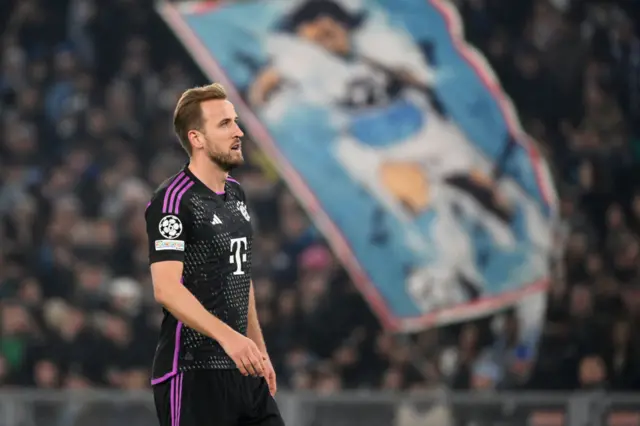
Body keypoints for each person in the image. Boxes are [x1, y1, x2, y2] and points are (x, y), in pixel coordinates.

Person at [145, 83, 284, 426]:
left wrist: (257, 348)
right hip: (193, 370)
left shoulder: (236, 194)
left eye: (235, 121)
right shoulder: (173, 200)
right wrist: (230, 338)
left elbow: (240, 276)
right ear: (197, 138)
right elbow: (166, 288)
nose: (238, 132)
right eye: (224, 124)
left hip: (242, 368)